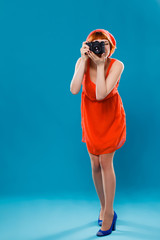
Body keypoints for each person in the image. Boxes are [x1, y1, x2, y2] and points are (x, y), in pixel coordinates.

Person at [70, 29, 126, 236]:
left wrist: (101, 65)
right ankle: (103, 206)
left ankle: (109, 213)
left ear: (110, 48)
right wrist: (83, 62)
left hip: (110, 116)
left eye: (104, 44)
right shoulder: (82, 62)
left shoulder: (117, 65)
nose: (99, 48)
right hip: (91, 117)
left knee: (105, 162)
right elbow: (75, 89)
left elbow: (102, 94)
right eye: (95, 44)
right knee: (94, 163)